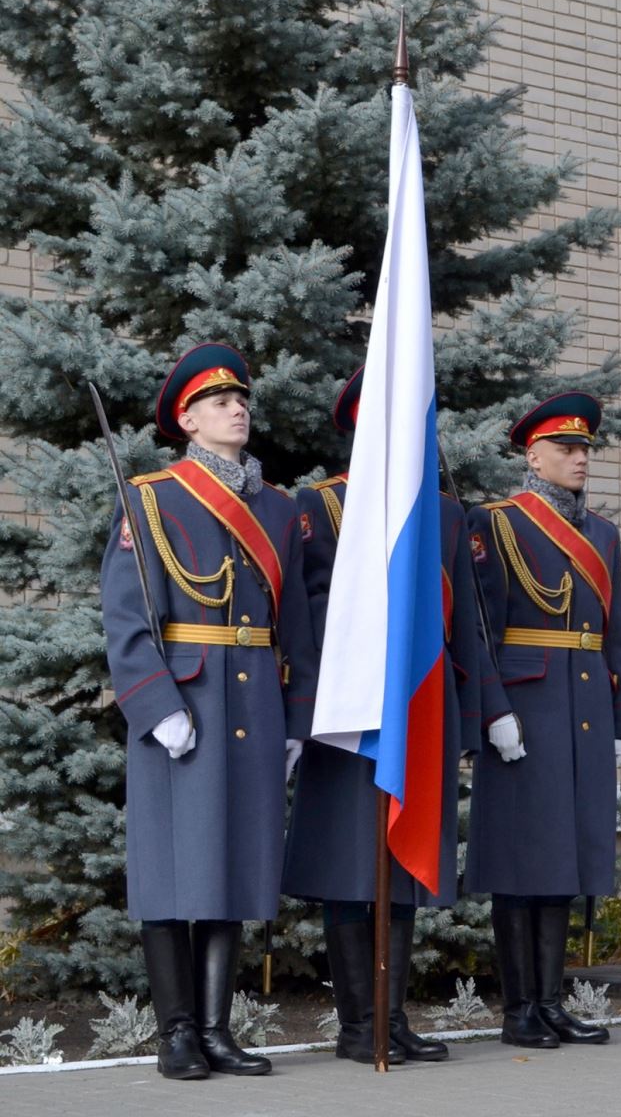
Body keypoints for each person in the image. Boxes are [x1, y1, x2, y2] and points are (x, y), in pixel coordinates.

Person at [100, 343, 318, 1081]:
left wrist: (296, 719)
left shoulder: (280, 510)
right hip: (183, 700)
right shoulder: (153, 497)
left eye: (241, 399)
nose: (237, 409)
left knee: (234, 864)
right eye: (219, 402)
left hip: (255, 700)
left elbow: (298, 630)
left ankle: (219, 1030)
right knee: (170, 870)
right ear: (187, 421)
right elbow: (127, 617)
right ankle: (178, 1033)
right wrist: (154, 703)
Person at [282, 367, 478, 1064]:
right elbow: (302, 618)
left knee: (402, 862)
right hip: (347, 712)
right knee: (349, 866)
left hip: (422, 709)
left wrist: (473, 716)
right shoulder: (320, 506)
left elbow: (464, 634)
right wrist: (301, 714)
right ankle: (357, 1024)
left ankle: (392, 1020)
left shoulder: (447, 514)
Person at [465, 393, 621, 1049]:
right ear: (532, 456)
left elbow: (615, 632)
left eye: (585, 448)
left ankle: (550, 1001)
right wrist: (494, 710)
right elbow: (478, 629)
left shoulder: (603, 533)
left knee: (564, 866)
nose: (579, 458)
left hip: (586, 712)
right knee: (522, 865)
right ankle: (519, 1011)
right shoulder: (497, 524)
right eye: (566, 449)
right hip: (526, 710)